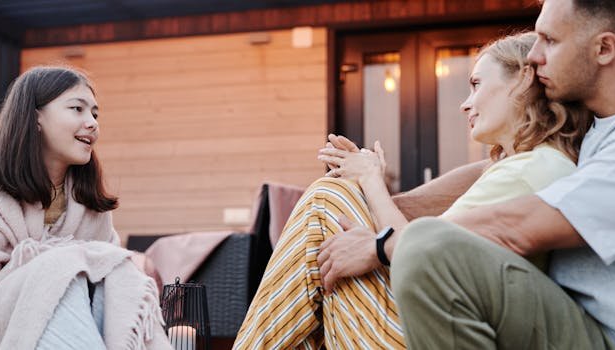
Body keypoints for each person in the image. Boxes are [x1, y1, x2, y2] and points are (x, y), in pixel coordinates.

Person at [234, 31, 592, 349]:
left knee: (326, 201)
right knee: (328, 236)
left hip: (433, 333)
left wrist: (371, 179)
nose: (465, 103)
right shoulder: (528, 166)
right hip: (441, 322)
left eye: (476, 84)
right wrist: (366, 187)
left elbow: (420, 256)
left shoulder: (532, 170)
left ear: (523, 81)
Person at [389, 0, 615, 349]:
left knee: (426, 249)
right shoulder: (604, 124)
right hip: (570, 319)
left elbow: (517, 228)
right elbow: (501, 165)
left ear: (604, 48)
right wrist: (397, 202)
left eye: (550, 40)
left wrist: (386, 243)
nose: (533, 55)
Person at [0, 67, 172, 349]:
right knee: (63, 269)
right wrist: (39, 269)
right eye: (77, 109)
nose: (92, 123)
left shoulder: (91, 203)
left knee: (116, 275)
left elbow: (106, 290)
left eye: (95, 114)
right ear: (36, 117)